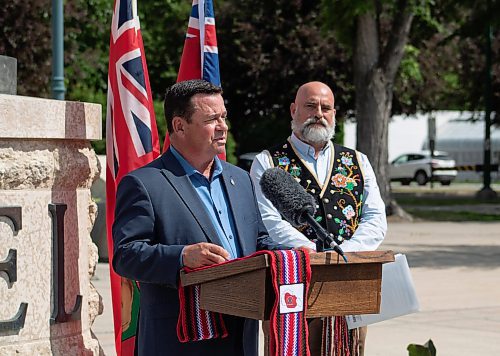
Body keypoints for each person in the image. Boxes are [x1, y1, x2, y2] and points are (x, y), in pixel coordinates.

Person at [112, 79, 269, 356]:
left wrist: (296, 256)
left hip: (240, 338)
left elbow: (259, 241)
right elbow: (125, 256)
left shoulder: (241, 180)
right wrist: (182, 257)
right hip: (177, 342)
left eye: (224, 117)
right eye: (211, 119)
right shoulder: (144, 183)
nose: (223, 126)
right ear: (179, 126)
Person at [250, 81, 387, 356]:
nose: (319, 113)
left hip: (348, 283)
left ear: (334, 113)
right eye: (310, 106)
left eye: (326, 107)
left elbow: (375, 218)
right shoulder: (267, 163)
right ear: (294, 110)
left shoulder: (357, 160)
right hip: (292, 285)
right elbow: (269, 221)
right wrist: (315, 254)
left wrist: (344, 254)